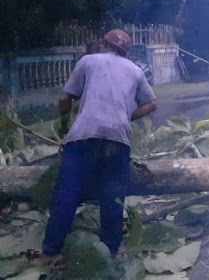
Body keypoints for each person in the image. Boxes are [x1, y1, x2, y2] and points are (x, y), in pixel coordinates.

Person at [41, 29, 157, 259]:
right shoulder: (135, 71)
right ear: (126, 52)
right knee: (113, 197)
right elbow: (152, 104)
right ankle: (109, 253)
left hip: (84, 135)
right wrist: (127, 117)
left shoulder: (88, 61)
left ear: (104, 44)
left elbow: (64, 98)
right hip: (118, 139)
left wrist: (63, 117)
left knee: (67, 194)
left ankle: (50, 250)